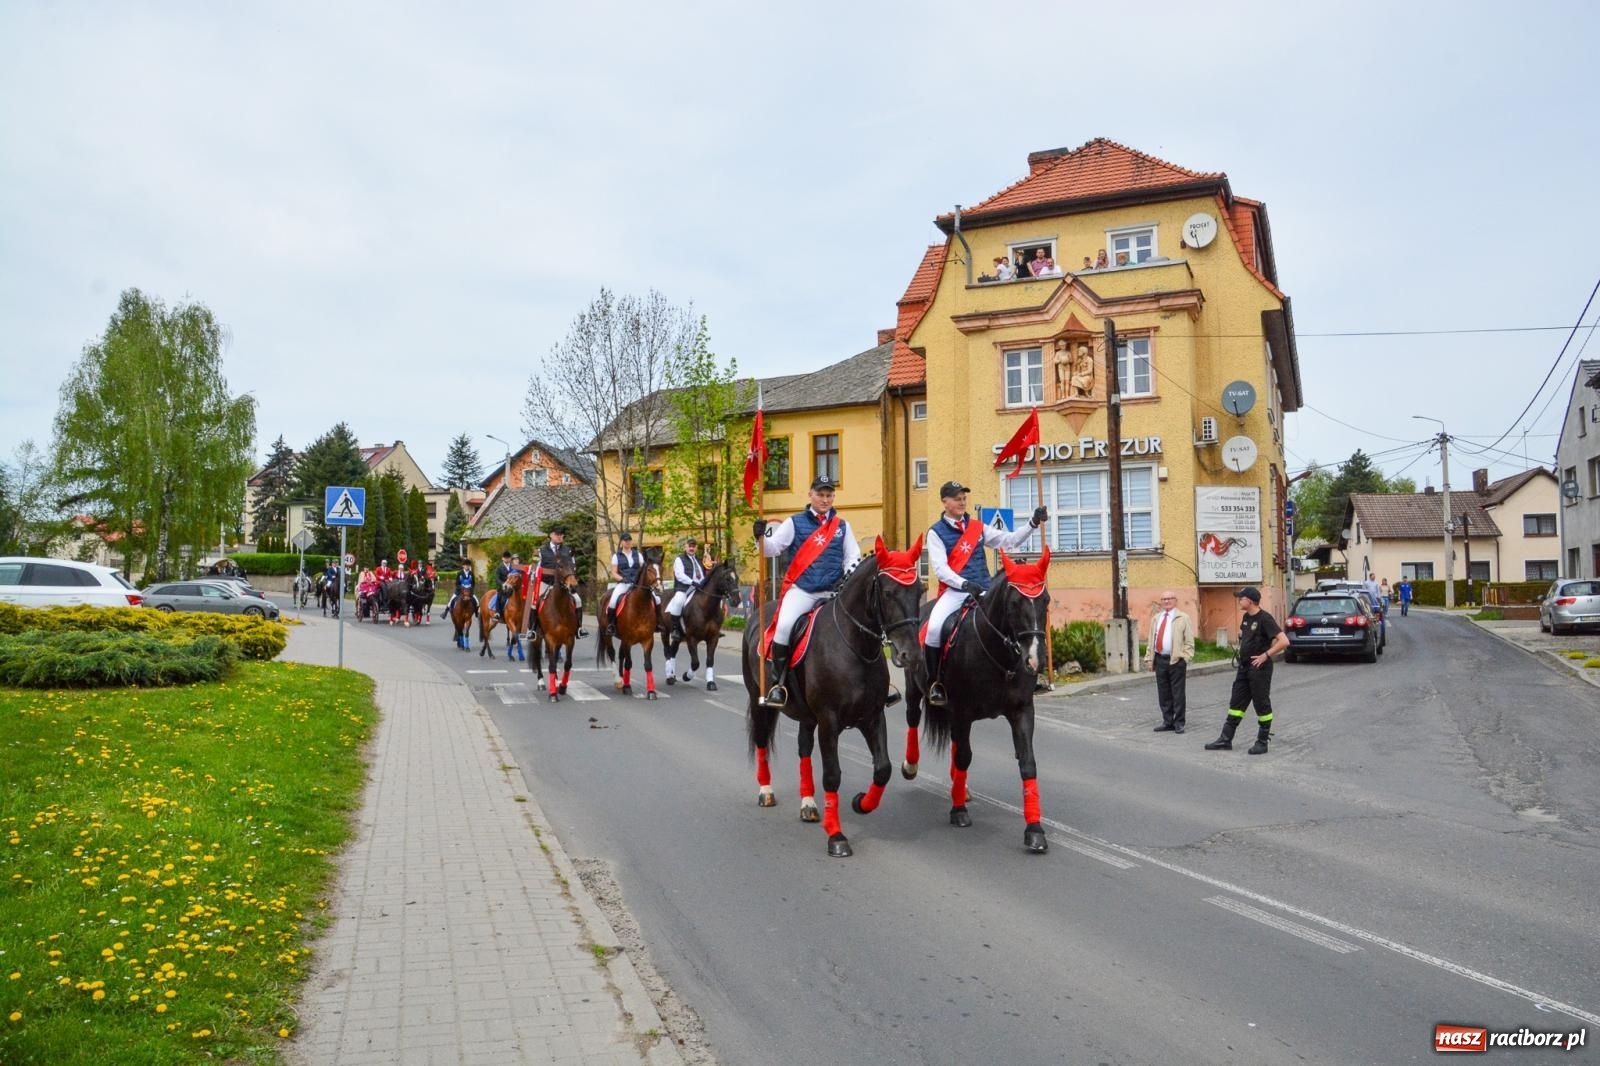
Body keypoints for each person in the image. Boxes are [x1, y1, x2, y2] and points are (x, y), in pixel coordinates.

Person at [923, 480, 1047, 707]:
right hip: (955, 592)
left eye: (964, 498)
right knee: (933, 629)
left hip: (984, 590)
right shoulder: (936, 532)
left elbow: (1008, 540)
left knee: (1013, 621)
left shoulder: (977, 528)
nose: (962, 502)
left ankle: (1024, 674)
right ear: (945, 502)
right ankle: (935, 683)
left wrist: (1032, 523)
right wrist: (963, 584)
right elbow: (940, 569)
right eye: (957, 499)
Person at [753, 476, 859, 707]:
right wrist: (760, 537)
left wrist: (847, 580)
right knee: (784, 626)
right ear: (810, 494)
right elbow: (772, 549)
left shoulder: (842, 526)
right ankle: (778, 683)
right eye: (820, 494)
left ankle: (875, 684)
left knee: (862, 624)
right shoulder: (794, 523)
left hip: (834, 593)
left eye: (829, 495)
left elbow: (853, 557)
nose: (825, 499)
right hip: (803, 591)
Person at [1204, 587, 1289, 755]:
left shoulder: (1265, 618)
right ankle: (1225, 739)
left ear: (1249, 601)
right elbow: (1246, 635)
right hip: (1244, 667)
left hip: (1259, 668)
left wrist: (1265, 655)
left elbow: (1284, 641)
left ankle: (1262, 742)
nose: (1238, 601)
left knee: (1261, 704)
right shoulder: (1246, 617)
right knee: (1236, 703)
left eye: (1241, 598)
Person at [1144, 591, 1195, 733]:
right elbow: (1151, 639)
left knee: (1177, 693)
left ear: (1175, 600)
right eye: (1163, 599)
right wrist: (1149, 658)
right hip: (1160, 659)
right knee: (1163, 692)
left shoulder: (1183, 617)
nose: (1166, 601)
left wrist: (1185, 657)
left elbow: (1189, 641)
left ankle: (1179, 722)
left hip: (1176, 660)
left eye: (1169, 598)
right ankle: (1167, 721)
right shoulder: (1156, 618)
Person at [536, 526, 586, 637]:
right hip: (546, 582)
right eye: (557, 534)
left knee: (578, 600)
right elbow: (536, 568)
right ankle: (533, 628)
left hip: (563, 584)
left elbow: (573, 566)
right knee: (534, 602)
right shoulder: (541, 550)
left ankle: (579, 628)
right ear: (550, 535)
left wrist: (569, 578)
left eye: (561, 534)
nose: (559, 536)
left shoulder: (568, 550)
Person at [605, 532, 647, 637]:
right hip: (624, 583)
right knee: (613, 601)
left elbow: (643, 569)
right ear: (621, 543)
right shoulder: (616, 556)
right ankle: (611, 625)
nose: (628, 542)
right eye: (625, 541)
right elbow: (614, 573)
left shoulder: (638, 555)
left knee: (656, 598)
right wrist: (622, 579)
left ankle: (658, 622)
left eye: (629, 540)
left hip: (637, 584)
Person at [665, 537, 706, 644]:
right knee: (679, 601)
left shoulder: (699, 560)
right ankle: (675, 629)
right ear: (685, 547)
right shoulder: (679, 559)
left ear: (696, 548)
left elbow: (702, 575)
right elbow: (679, 575)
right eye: (689, 546)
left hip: (698, 588)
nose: (691, 548)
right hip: (684, 588)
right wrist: (692, 582)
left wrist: (703, 583)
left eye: (693, 546)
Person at [493, 550, 518, 622]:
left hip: (512, 587)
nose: (507, 559)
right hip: (503, 587)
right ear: (502, 558)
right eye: (505, 558)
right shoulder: (499, 568)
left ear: (510, 558)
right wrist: (502, 584)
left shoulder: (514, 567)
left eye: (508, 557)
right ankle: (497, 613)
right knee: (499, 596)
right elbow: (497, 578)